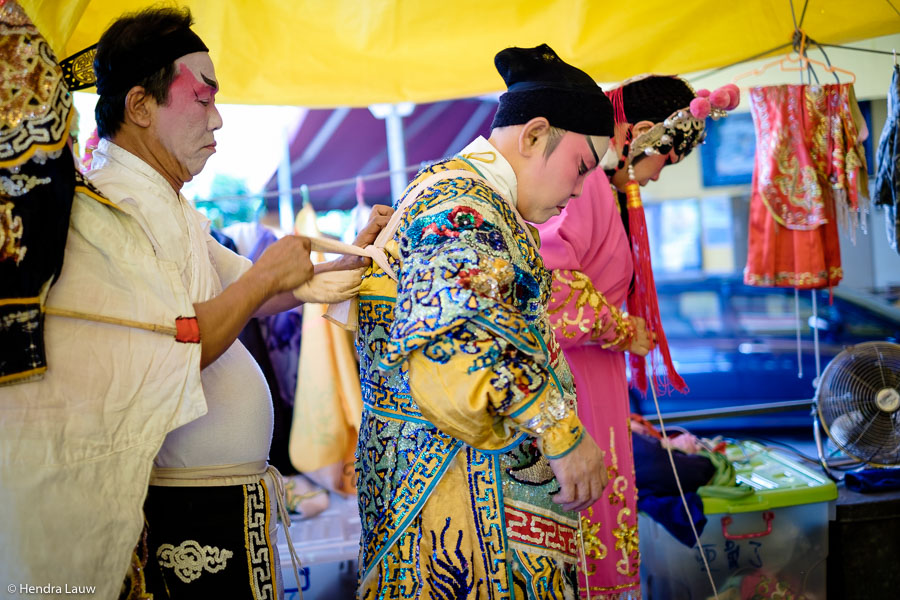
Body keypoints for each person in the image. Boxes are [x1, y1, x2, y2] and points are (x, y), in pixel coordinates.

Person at [0, 5, 389, 599]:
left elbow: (260, 287)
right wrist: (262, 280)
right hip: (182, 517)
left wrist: (349, 257)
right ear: (140, 106)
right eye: (203, 99)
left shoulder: (169, 203)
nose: (220, 119)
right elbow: (174, 341)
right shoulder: (107, 211)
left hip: (220, 506)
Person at [350, 44, 613, 599]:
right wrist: (563, 435)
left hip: (463, 491)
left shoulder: (471, 198)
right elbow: (460, 331)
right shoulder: (459, 202)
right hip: (456, 498)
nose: (580, 189)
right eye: (582, 167)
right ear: (535, 134)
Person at [536, 75, 738, 598]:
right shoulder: (585, 189)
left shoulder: (599, 190)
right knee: (583, 516)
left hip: (593, 377)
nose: (656, 177)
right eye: (665, 162)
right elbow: (548, 290)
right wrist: (622, 329)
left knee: (603, 505)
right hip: (574, 381)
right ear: (643, 133)